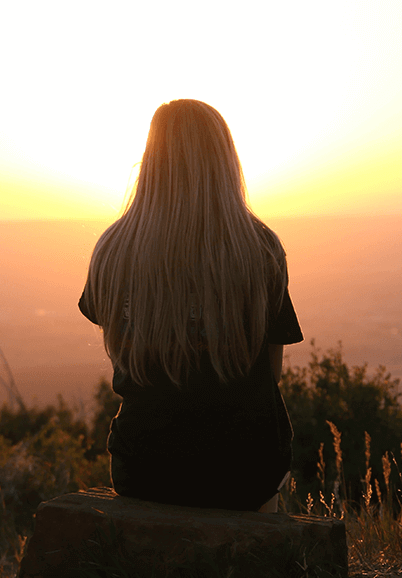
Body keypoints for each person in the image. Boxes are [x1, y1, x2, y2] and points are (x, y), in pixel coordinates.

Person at [78, 99, 304, 512]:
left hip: (143, 466)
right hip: (246, 469)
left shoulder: (112, 250)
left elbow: (121, 352)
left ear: (150, 160)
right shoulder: (261, 250)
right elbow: (271, 375)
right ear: (225, 161)